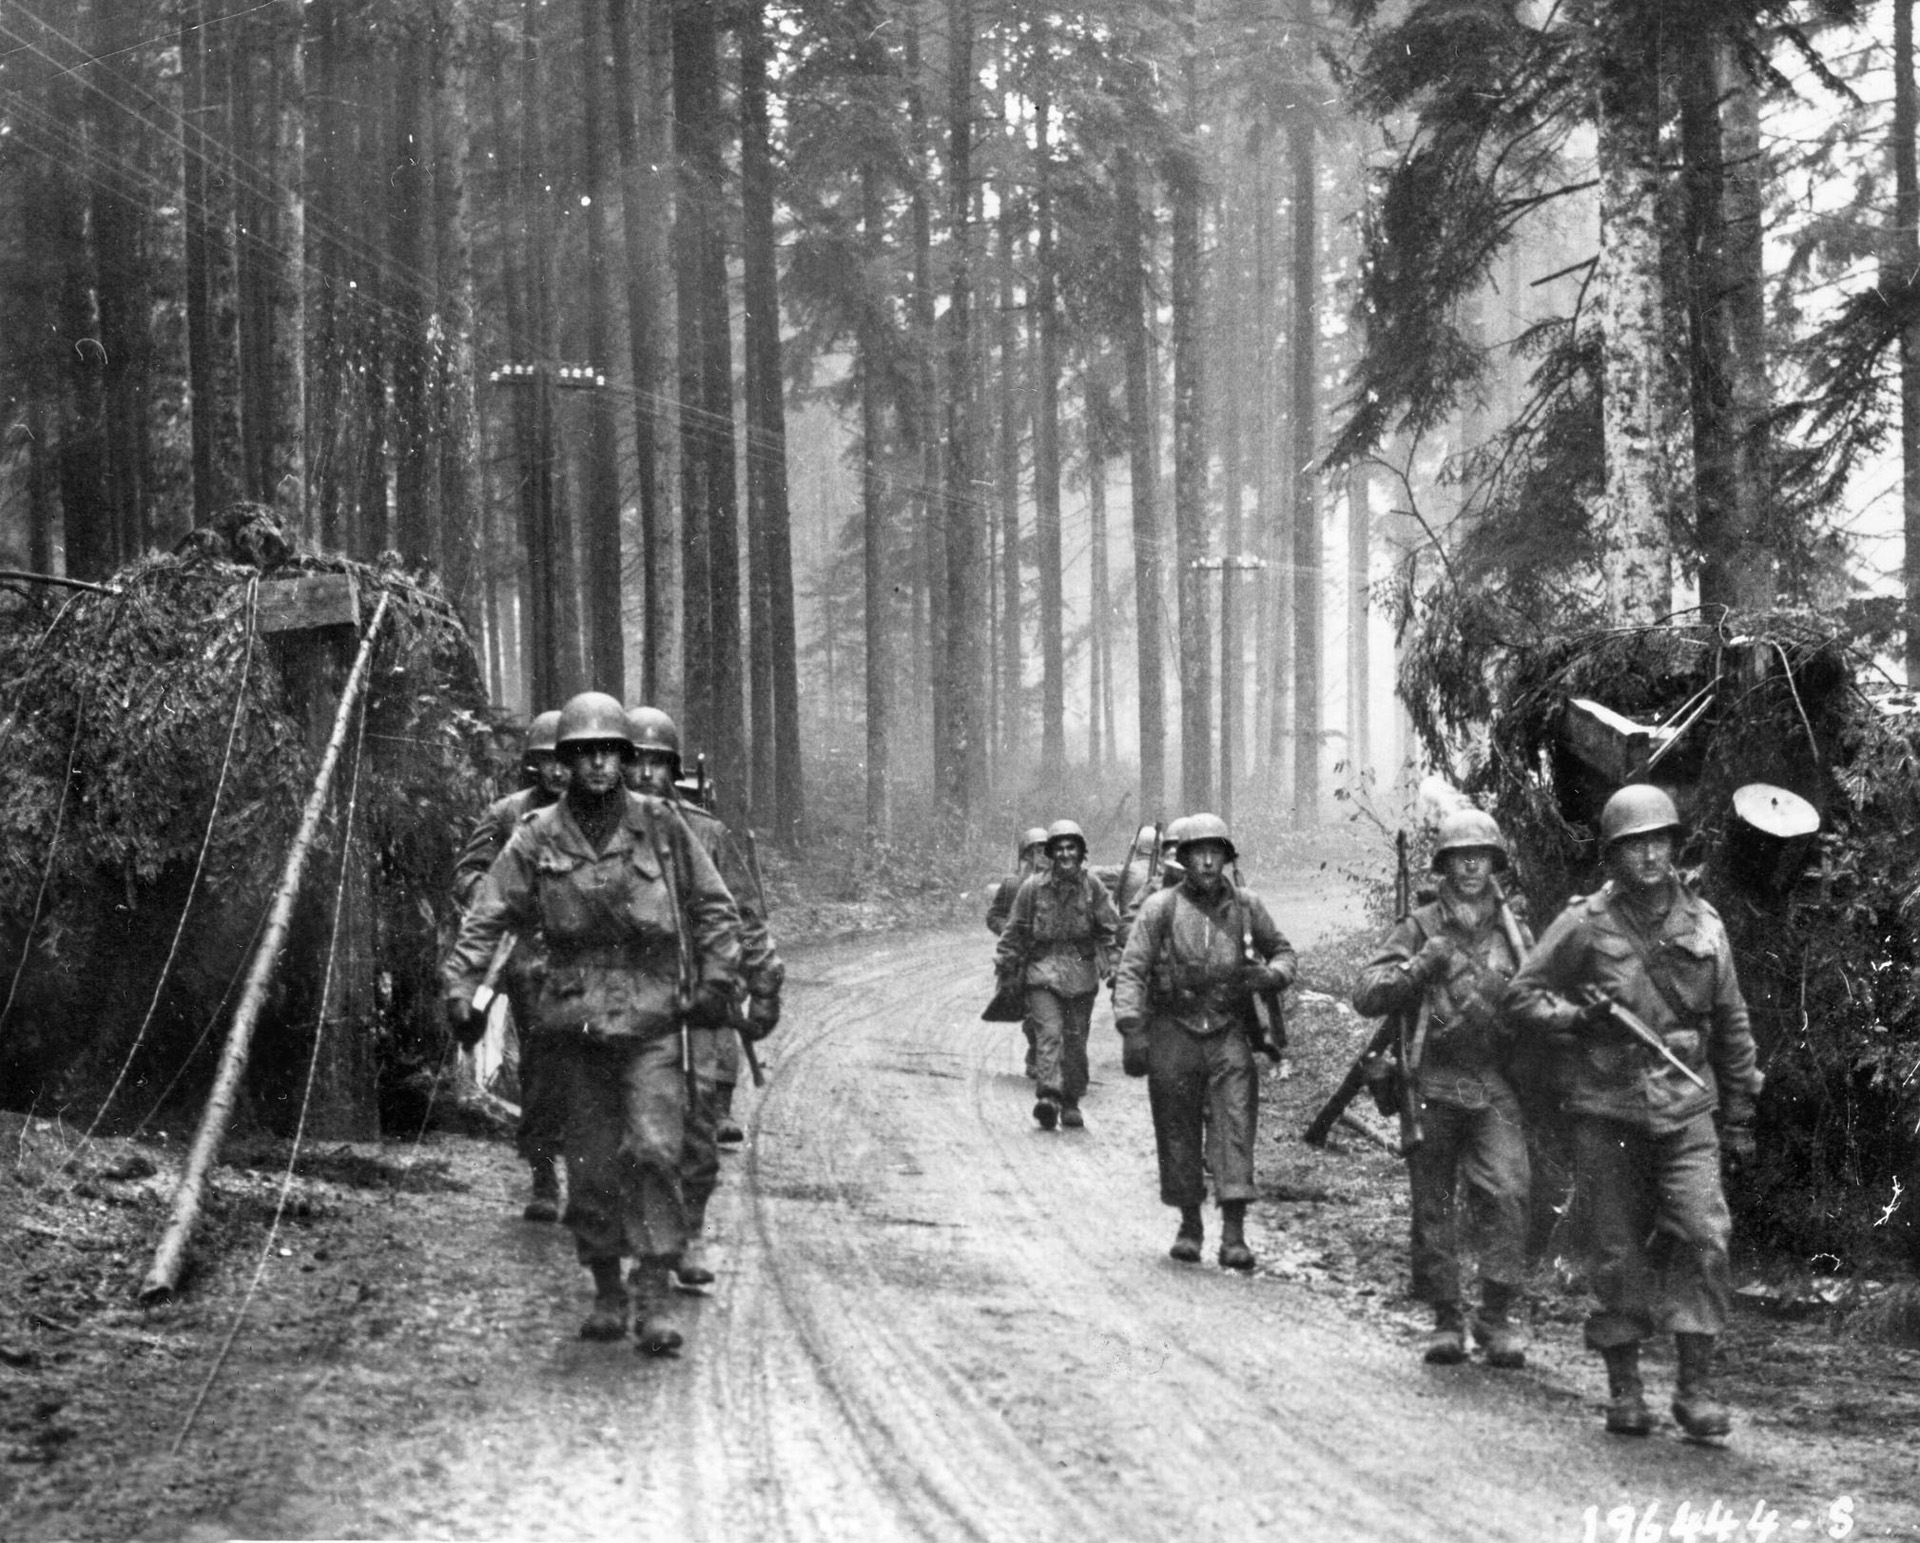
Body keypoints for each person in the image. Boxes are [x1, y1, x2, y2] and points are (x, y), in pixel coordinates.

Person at [443, 691, 743, 1356]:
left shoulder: (664, 826)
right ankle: (608, 1286)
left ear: (626, 758)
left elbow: (716, 907)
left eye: (610, 751)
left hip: (656, 1016)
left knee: (657, 1148)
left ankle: (655, 1293)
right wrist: (462, 983)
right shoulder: (537, 834)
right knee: (592, 1162)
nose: (600, 764)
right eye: (586, 753)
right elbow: (488, 911)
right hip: (573, 1020)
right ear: (568, 761)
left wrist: (720, 978)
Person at [1505, 784, 1762, 1439]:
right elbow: (1521, 997)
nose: (1649, 855)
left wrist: (1739, 1117)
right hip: (1607, 1109)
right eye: (1634, 844)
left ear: (1674, 847)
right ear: (1613, 853)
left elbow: (1731, 1024)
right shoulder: (1585, 923)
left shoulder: (1705, 924)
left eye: (1659, 841)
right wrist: (1576, 1018)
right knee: (1614, 1249)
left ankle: (1695, 1390)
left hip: (1687, 1110)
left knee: (1705, 1236)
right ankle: (1626, 1390)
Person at [1352, 808, 1531, 1367]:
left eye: (1482, 856)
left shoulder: (1515, 933)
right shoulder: (1420, 927)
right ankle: (1447, 1318)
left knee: (1509, 1192)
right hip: (1431, 1081)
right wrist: (1419, 969)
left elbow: (1540, 992)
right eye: (1461, 857)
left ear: (1495, 863)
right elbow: (1366, 992)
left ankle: (1495, 1315)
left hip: (1493, 1081)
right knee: (1434, 1206)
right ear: (1445, 866)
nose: (1472, 866)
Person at [625, 704, 783, 1290]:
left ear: (674, 770)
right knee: (640, 1134)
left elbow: (744, 914)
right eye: (635, 763)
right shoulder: (605, 830)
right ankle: (647, 1252)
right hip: (631, 998)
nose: (645, 776)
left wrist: (762, 981)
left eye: (657, 765)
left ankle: (689, 1231)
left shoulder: (707, 834)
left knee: (698, 1130)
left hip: (696, 995)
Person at [1113, 815, 1295, 1270]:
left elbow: (1284, 952)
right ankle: (1189, 1224)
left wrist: (1271, 974)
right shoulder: (1160, 908)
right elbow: (1133, 968)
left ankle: (1234, 1234)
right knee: (1176, 1127)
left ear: (1227, 859)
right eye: (1199, 853)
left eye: (1216, 853)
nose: (1209, 861)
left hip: (1229, 1029)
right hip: (1173, 1029)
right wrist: (1132, 1027)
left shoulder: (1248, 907)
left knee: (1236, 1125)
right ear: (1185, 860)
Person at [449, 708, 568, 1222]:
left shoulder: (602, 816)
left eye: (566, 760)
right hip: (529, 956)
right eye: (547, 762)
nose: (558, 772)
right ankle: (544, 1174)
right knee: (541, 1065)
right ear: (532, 766)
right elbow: (469, 873)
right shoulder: (507, 815)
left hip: (593, 957)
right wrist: (500, 897)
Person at [995, 819, 1120, 1131]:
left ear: (1080, 853)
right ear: (1051, 853)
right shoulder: (1032, 888)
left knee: (1076, 1041)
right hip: (1043, 971)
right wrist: (1006, 966)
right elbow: (1013, 931)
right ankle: (1049, 1096)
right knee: (1049, 1033)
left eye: (1071, 848)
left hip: (1080, 969)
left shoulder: (1093, 887)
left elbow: (1110, 931)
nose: (1065, 854)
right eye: (1060, 849)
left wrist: (1114, 964)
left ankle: (1071, 1101)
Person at [987, 827, 1051, 1080]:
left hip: (1048, 955)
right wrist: (1009, 931)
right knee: (1028, 1008)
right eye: (1033, 850)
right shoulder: (1012, 884)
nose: (1039, 855)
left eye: (1044, 849)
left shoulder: (1057, 882)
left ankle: (1041, 1054)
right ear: (1025, 855)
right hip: (1019, 959)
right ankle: (1035, 1051)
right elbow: (994, 916)